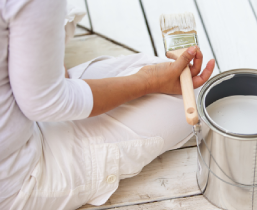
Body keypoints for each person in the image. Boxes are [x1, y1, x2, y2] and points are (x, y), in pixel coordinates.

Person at [0, 0, 215, 209]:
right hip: (19, 177)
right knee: (195, 97)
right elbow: (46, 105)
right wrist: (148, 80)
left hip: (19, 121)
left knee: (172, 76)